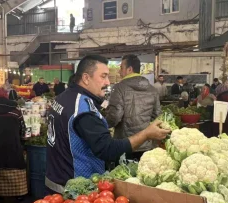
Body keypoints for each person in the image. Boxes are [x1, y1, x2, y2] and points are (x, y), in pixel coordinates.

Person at [45, 55, 169, 194]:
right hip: (74, 190)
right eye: (103, 76)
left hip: (55, 179)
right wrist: (146, 134)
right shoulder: (83, 110)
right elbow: (108, 150)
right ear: (86, 78)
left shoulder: (64, 97)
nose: (108, 82)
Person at [106, 54, 160, 161]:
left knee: (124, 175)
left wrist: (104, 125)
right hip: (147, 145)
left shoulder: (119, 88)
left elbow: (115, 117)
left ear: (129, 69)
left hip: (126, 144)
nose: (119, 71)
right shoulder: (152, 89)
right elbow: (157, 116)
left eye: (121, 68)